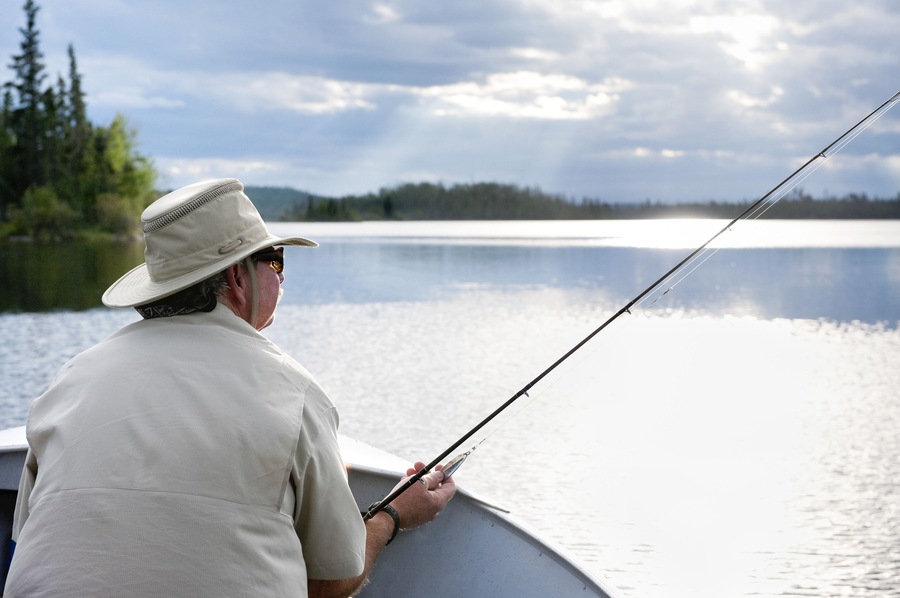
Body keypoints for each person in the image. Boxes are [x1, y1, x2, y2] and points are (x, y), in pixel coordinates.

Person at [4, 178, 456, 597]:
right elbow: (329, 582)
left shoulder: (70, 380)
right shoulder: (292, 392)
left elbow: (29, 537)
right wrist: (393, 515)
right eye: (275, 260)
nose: (281, 277)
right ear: (238, 277)